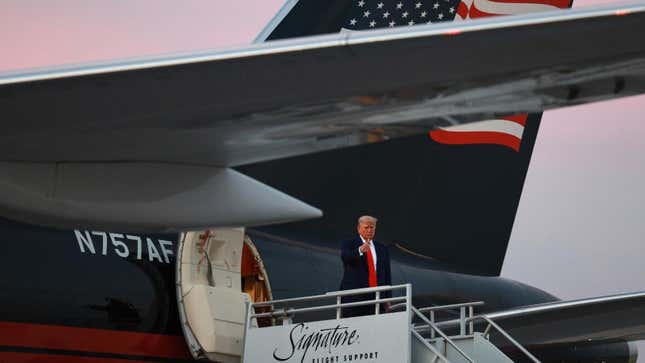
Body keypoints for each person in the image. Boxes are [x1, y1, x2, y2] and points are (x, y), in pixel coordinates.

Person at [339, 215, 392, 317]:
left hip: (377, 298)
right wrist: (360, 250)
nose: (369, 230)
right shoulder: (349, 243)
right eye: (366, 227)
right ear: (359, 229)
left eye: (372, 227)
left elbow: (387, 274)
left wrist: (388, 297)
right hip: (354, 299)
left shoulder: (382, 248)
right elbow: (345, 257)